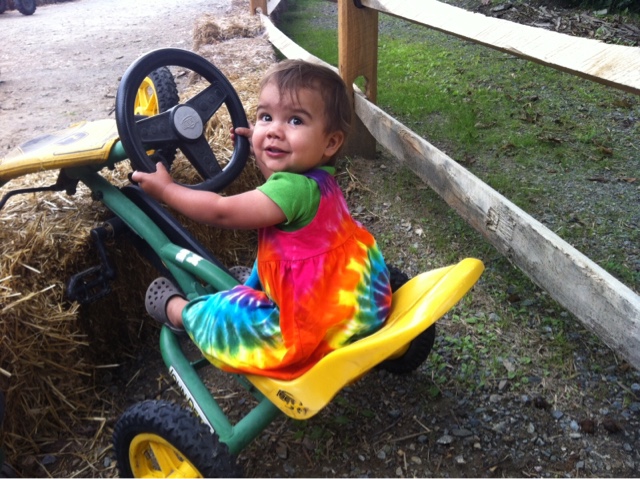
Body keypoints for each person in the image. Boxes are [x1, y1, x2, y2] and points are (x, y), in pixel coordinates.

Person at [132, 59, 392, 380]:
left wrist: (167, 190)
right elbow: (275, 187)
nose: (273, 131)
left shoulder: (292, 191)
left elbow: (221, 210)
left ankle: (180, 312)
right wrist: (261, 149)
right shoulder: (319, 180)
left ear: (331, 142)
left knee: (223, 317)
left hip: (310, 332)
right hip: (362, 306)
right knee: (277, 252)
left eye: (295, 120)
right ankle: (256, 287)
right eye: (265, 117)